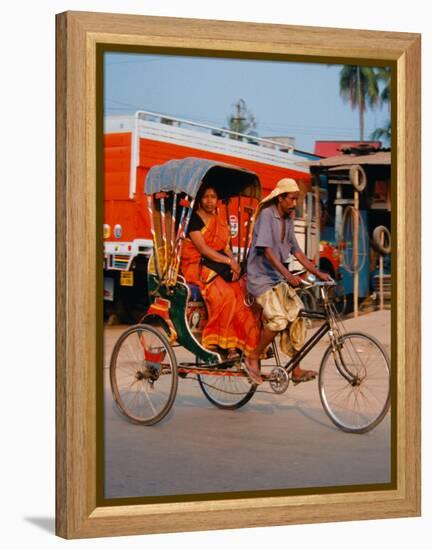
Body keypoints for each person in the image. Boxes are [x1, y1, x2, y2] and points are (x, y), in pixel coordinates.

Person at [245, 178, 331, 384]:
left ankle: (296, 369)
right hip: (260, 279)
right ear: (280, 198)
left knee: (299, 315)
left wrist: (319, 274)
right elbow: (266, 251)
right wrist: (288, 275)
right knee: (279, 320)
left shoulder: (288, 220)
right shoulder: (267, 215)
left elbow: (298, 252)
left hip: (276, 278)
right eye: (291, 199)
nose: (294, 203)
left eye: (296, 199)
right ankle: (253, 356)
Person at [180, 183, 259, 360]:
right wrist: (228, 261)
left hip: (218, 266)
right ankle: (225, 345)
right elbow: (203, 249)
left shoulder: (220, 220)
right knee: (225, 296)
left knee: (241, 294)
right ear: (200, 200)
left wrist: (235, 264)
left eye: (213, 197)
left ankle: (242, 343)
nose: (209, 201)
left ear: (217, 201)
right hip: (199, 266)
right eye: (206, 197)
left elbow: (226, 247)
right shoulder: (194, 220)